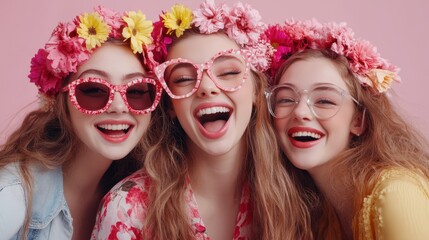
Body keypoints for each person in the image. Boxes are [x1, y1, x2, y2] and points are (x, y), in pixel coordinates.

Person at [91, 1, 312, 239]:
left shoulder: (299, 198)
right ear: (171, 105)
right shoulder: (125, 210)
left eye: (229, 73)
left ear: (257, 91)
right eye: (184, 79)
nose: (206, 87)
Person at [0, 6, 162, 240]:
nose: (118, 106)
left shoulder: (135, 193)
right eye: (94, 90)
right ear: (60, 100)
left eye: (136, 90)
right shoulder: (12, 194)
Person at [263, 19, 429, 239]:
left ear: (358, 121)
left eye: (324, 101)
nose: (300, 111)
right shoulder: (318, 217)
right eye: (285, 99)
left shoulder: (397, 194)